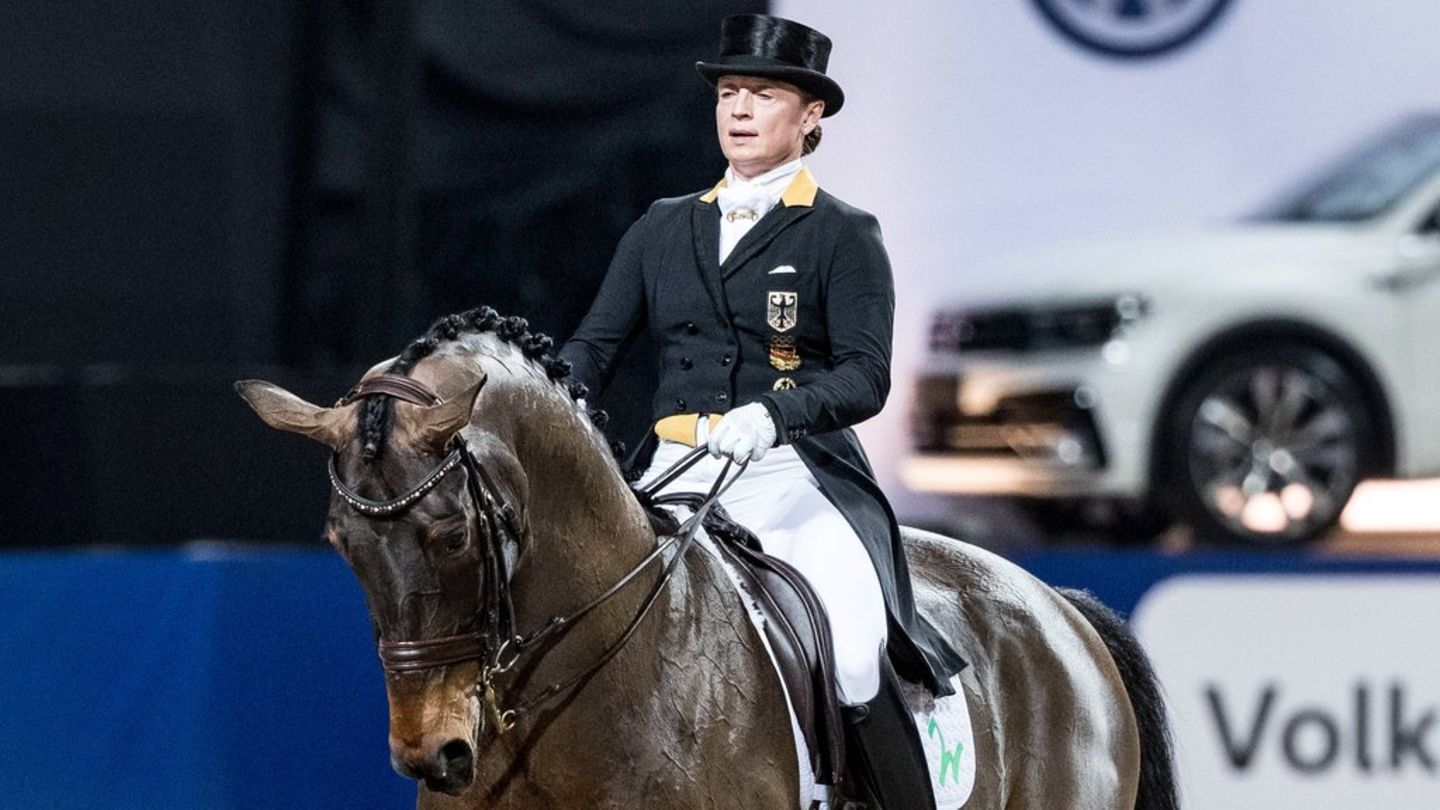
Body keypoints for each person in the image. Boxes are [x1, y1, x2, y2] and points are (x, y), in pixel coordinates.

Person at [560, 13, 965, 806]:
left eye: (765, 93)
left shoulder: (842, 232)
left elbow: (866, 375)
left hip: (791, 474)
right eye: (730, 92)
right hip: (672, 470)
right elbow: (595, 348)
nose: (740, 109)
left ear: (810, 115)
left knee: (851, 649)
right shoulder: (662, 225)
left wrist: (774, 417)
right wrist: (550, 394)